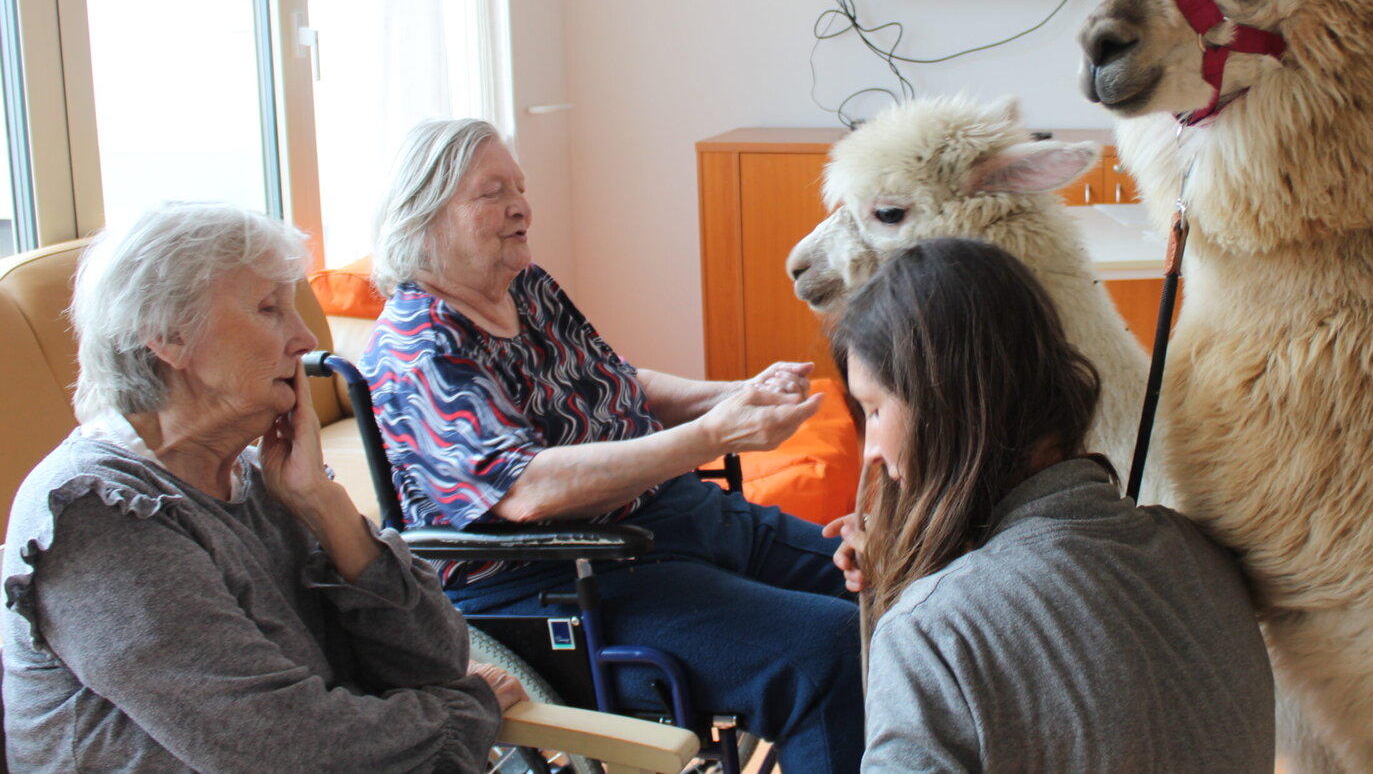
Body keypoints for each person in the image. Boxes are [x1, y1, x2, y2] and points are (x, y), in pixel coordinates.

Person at [361, 118, 863, 772]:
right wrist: (711, 435)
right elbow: (524, 489)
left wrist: (737, 393)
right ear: (424, 215)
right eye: (493, 192)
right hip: (567, 579)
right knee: (825, 651)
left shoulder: (528, 287)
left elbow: (619, 383)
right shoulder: (418, 345)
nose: (521, 206)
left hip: (672, 519)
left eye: (520, 187)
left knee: (888, 578)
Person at [2, 202, 525, 772]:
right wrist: (462, 713)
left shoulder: (258, 476)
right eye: (270, 309)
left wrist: (323, 505)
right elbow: (284, 747)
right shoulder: (98, 514)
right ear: (168, 337)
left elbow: (434, 660)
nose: (304, 339)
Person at [826, 237, 1275, 773]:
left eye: (875, 410)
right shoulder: (1202, 557)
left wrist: (924, 602)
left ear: (949, 406)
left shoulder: (931, 635)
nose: (872, 451)